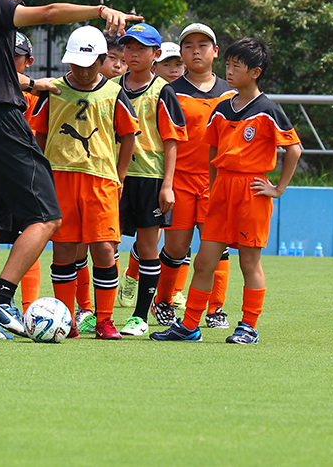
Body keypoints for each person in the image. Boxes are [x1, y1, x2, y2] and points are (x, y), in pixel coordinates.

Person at [0, 0, 139, 335]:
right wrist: (100, 12)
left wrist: (33, 83)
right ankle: (1, 299)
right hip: (2, 123)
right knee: (48, 217)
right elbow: (48, 14)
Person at [152, 37, 302, 344]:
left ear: (255, 72)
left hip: (253, 191)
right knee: (204, 261)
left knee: (249, 261)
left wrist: (277, 189)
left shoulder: (268, 110)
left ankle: (248, 326)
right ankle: (190, 325)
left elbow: (295, 149)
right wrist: (213, 182)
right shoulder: (222, 108)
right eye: (228, 64)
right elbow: (212, 148)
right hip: (220, 190)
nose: (229, 71)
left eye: (237, 66)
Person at [30, 27, 138, 339]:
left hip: (101, 180)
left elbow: (128, 136)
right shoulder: (54, 90)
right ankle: (67, 320)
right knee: (64, 250)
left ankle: (105, 320)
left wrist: (119, 176)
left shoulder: (114, 93)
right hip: (59, 179)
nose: (81, 70)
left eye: (89, 64)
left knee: (104, 249)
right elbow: (37, 132)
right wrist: (40, 172)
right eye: (75, 63)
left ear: (102, 60)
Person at [151, 23, 235, 328]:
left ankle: (215, 310)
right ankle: (163, 301)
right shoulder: (169, 91)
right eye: (189, 46)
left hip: (218, 183)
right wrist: (166, 183)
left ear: (215, 52)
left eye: (203, 45)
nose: (196, 51)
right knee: (177, 248)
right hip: (181, 181)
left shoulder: (231, 92)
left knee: (218, 247)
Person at [114, 23, 186, 336]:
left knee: (146, 246)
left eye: (141, 48)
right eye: (128, 47)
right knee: (103, 244)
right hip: (114, 176)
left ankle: (140, 317)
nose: (133, 53)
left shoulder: (163, 91)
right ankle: (96, 313)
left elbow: (172, 141)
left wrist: (167, 185)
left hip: (149, 178)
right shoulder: (112, 86)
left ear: (155, 54)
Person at [10, 31, 43, 311]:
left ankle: (30, 307)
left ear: (29, 61)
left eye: (16, 56)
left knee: (30, 237)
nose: (9, 60)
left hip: (27, 175)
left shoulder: (37, 96)